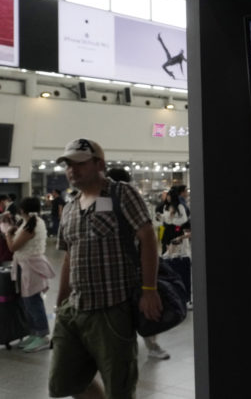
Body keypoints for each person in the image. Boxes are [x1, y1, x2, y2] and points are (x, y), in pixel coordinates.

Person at [48, 138, 162, 399]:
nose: (72, 170)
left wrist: (149, 289)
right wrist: (60, 304)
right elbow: (68, 258)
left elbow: (147, 237)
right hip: (73, 309)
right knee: (65, 383)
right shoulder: (70, 207)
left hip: (111, 310)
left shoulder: (121, 194)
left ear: (99, 164)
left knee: (119, 388)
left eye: (79, 163)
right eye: (68, 165)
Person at [107, 167, 171, 360]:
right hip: (133, 264)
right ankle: (151, 346)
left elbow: (147, 237)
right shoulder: (113, 201)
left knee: (139, 308)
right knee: (142, 310)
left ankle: (148, 345)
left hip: (125, 265)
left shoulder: (123, 200)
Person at [2, 197, 57, 352]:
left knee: (33, 301)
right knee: (27, 302)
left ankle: (42, 336)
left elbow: (13, 247)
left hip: (31, 266)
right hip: (24, 265)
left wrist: (8, 233)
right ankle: (34, 332)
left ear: (22, 209)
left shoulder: (33, 224)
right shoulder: (30, 222)